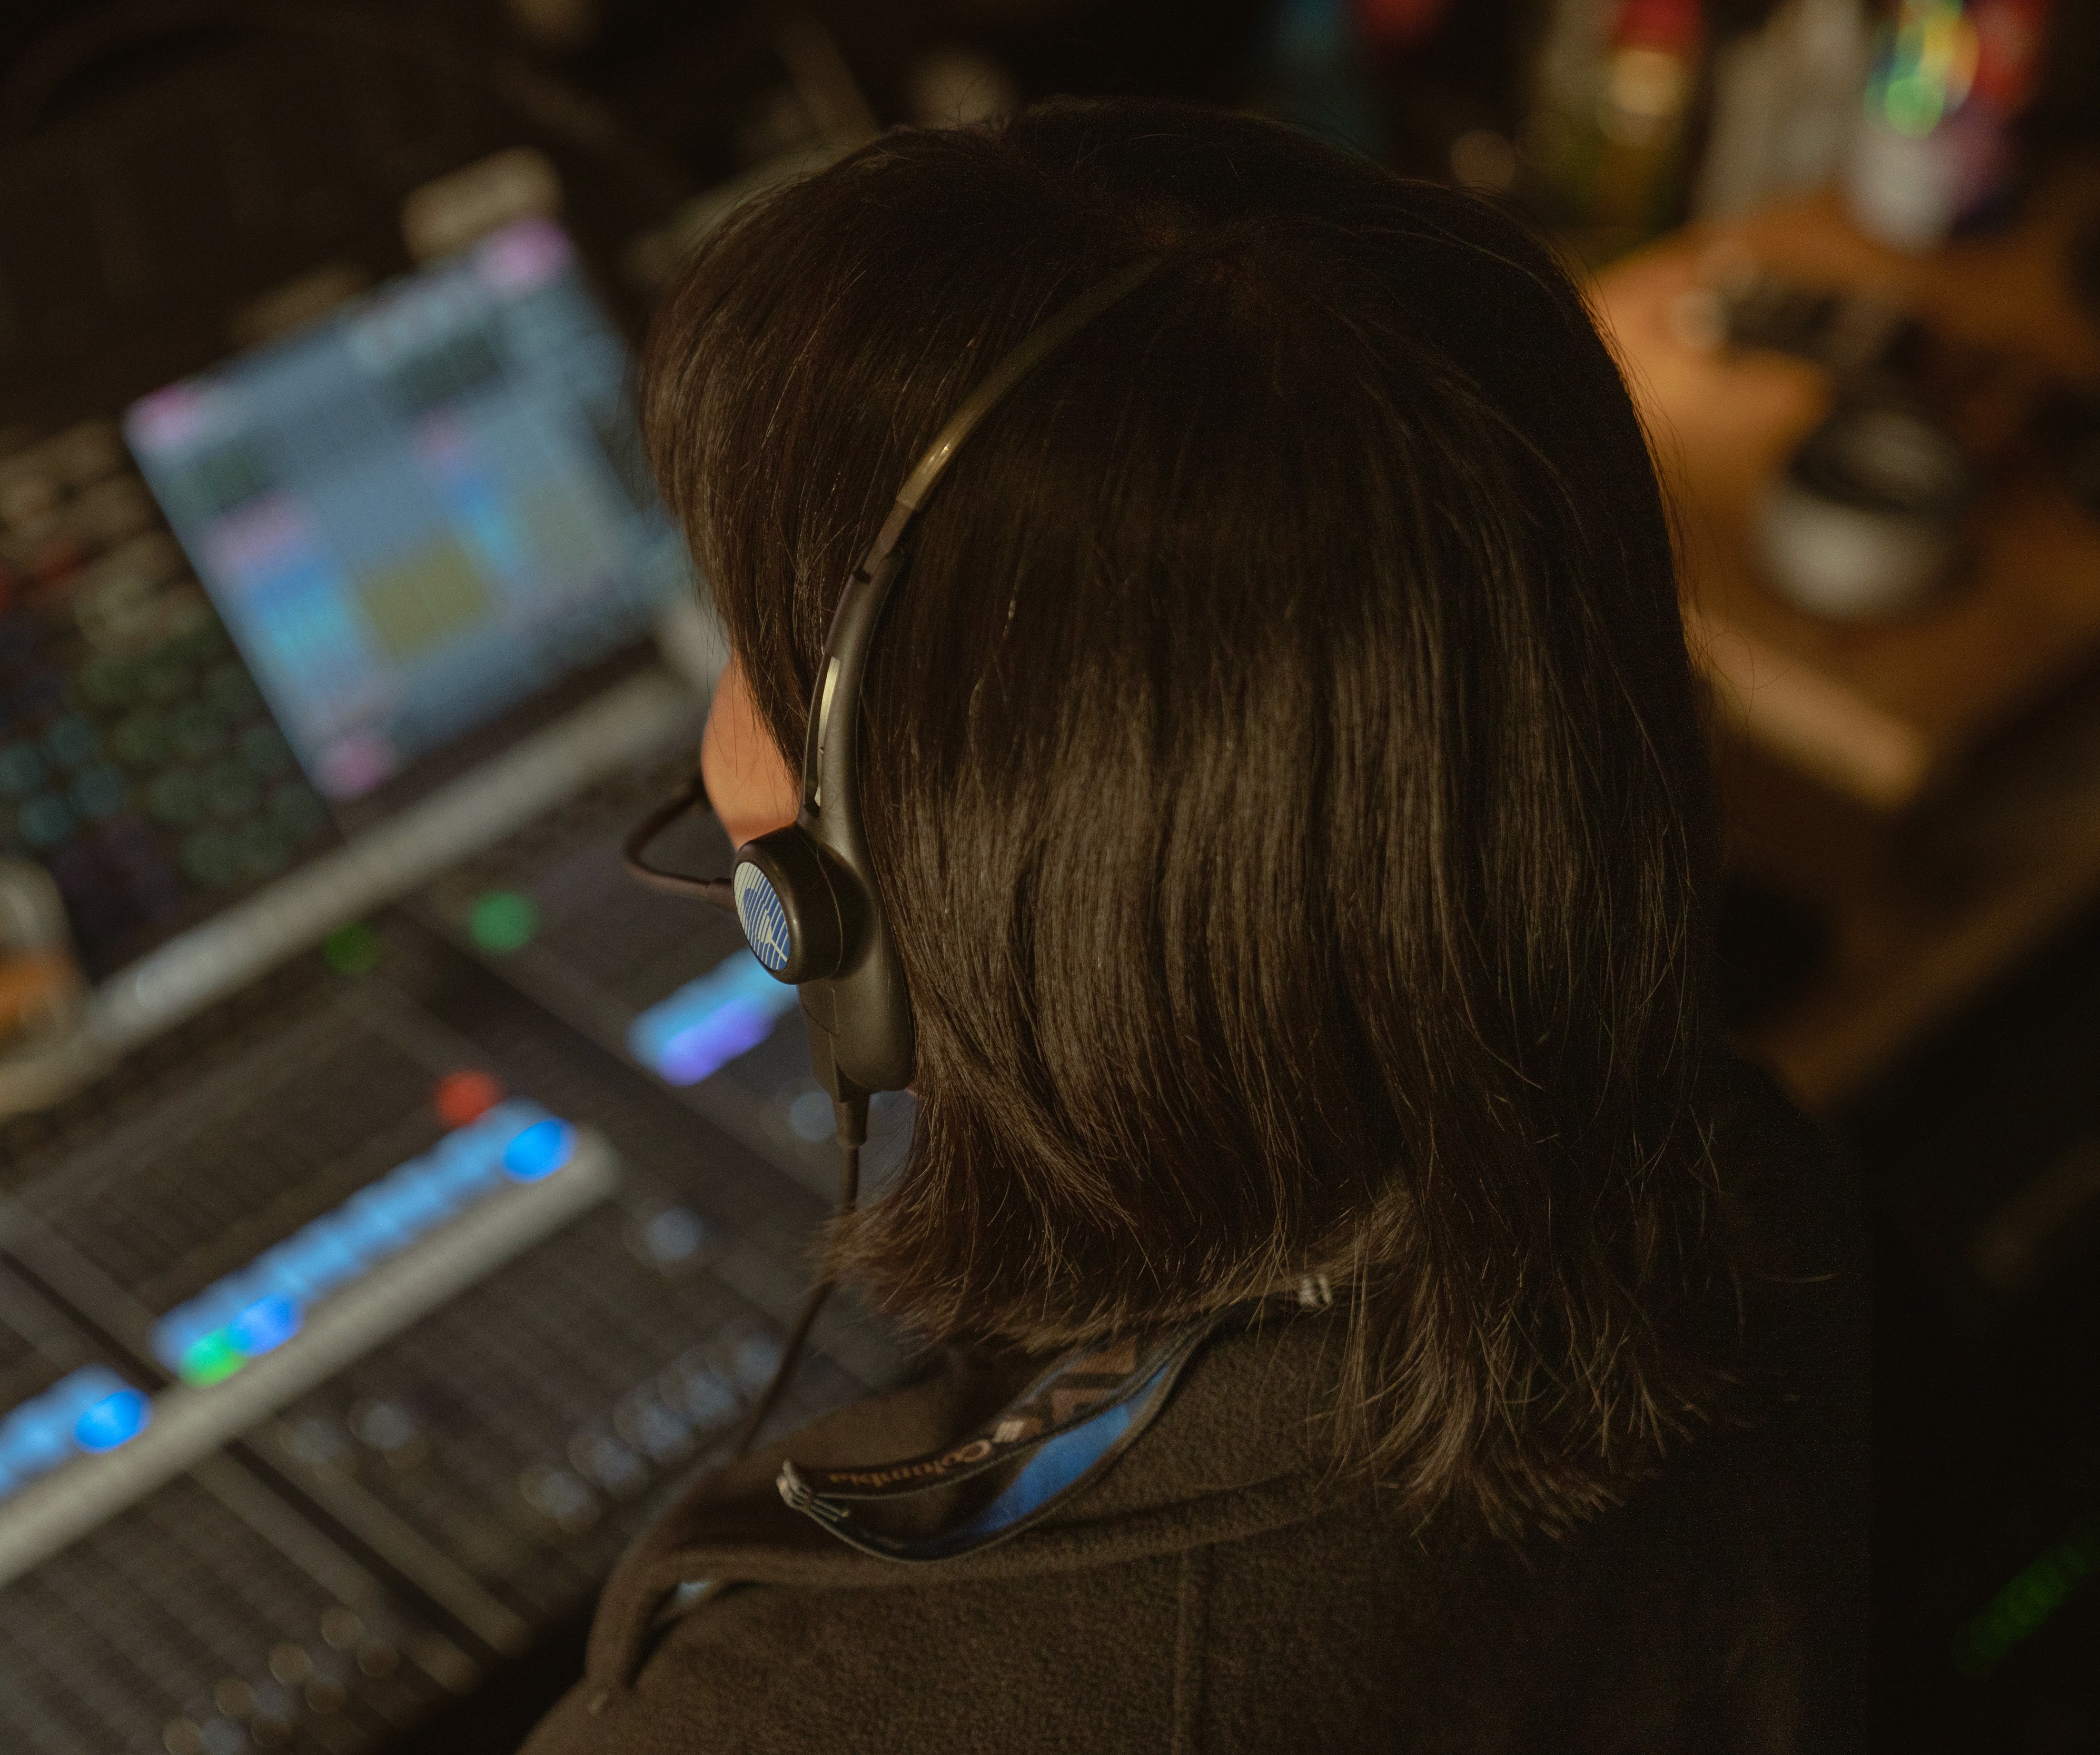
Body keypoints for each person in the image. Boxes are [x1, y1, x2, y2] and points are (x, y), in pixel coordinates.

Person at [533, 100, 1867, 1753]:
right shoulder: (1753, 1182)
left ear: (897, 867)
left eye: (748, 641)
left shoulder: (780, 1727)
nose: (717, 739)